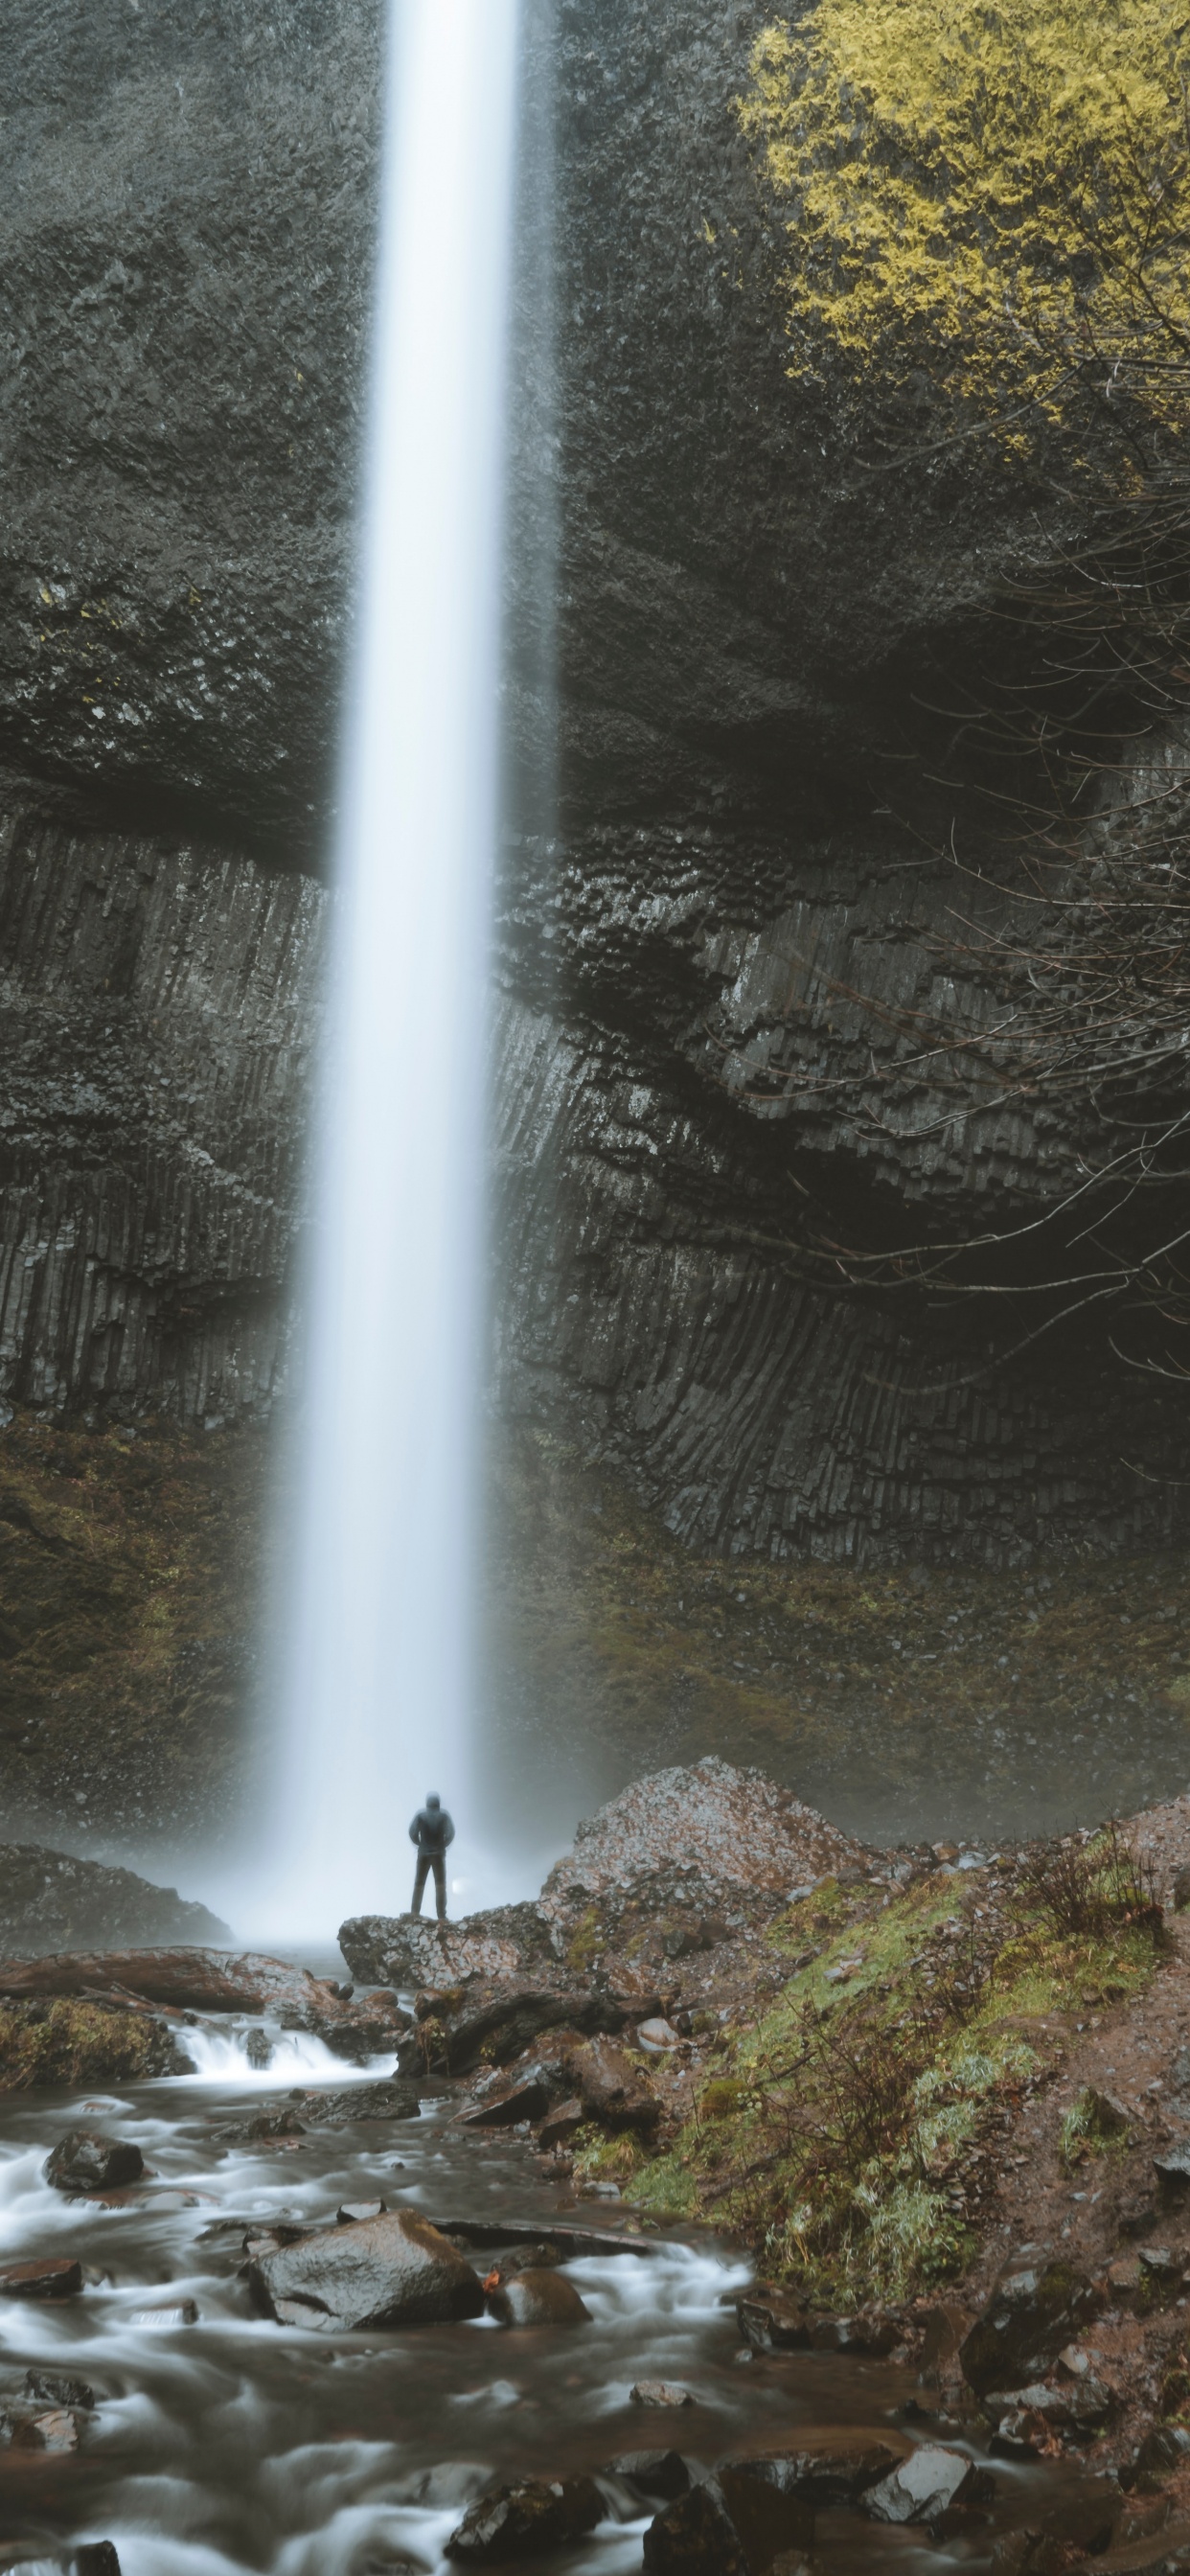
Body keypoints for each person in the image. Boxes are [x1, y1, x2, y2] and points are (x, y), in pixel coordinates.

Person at [408, 1793, 455, 1921]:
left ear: (427, 1803)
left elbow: (412, 1833)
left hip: (423, 1854)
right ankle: (441, 1915)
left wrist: (420, 1844)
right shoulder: (444, 1816)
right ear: (438, 1803)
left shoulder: (420, 1815)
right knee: (440, 1885)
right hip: (439, 1855)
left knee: (419, 1884)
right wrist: (443, 1845)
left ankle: (414, 1912)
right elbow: (451, 1833)